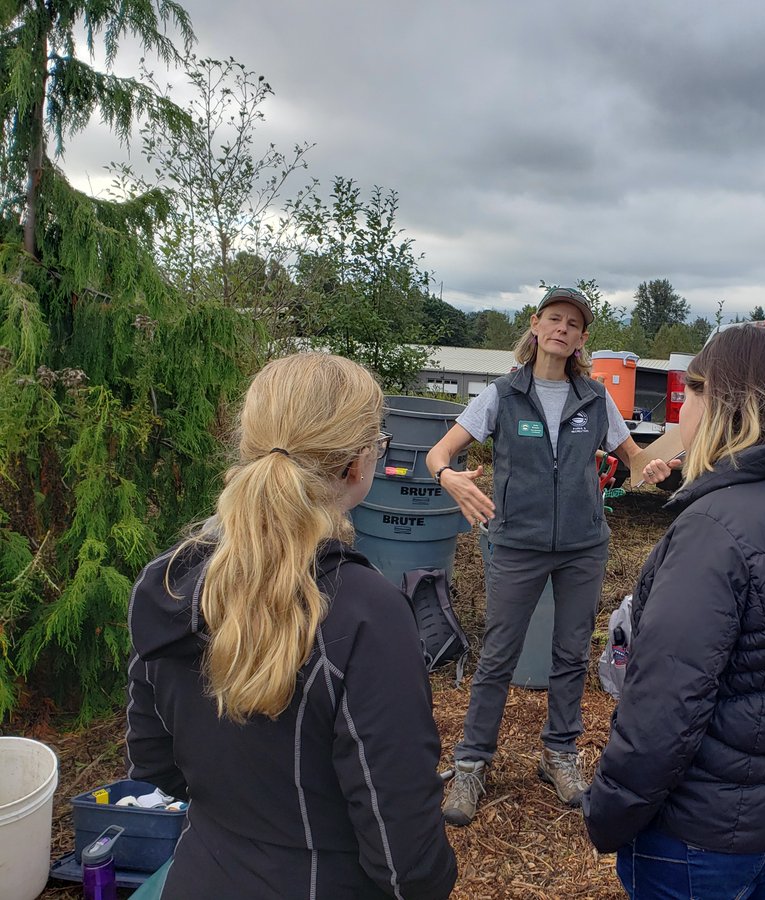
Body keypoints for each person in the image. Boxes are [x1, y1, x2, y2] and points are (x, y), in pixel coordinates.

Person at [125, 353, 457, 899]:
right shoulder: (367, 612)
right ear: (356, 463)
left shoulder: (170, 584)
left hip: (201, 874)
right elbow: (406, 864)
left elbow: (152, 759)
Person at [583, 325, 765, 900]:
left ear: (718, 402)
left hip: (699, 832)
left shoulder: (712, 534)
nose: (682, 412)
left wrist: (610, 810)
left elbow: (666, 703)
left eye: (690, 396)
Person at [427, 285, 642, 826]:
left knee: (570, 655)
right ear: (536, 325)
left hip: (583, 547)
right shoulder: (501, 394)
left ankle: (559, 755)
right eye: (554, 318)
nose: (562, 328)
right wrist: (450, 477)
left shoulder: (594, 398)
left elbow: (637, 460)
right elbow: (438, 453)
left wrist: (656, 468)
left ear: (581, 338)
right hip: (517, 544)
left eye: (573, 323)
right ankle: (473, 762)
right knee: (498, 656)